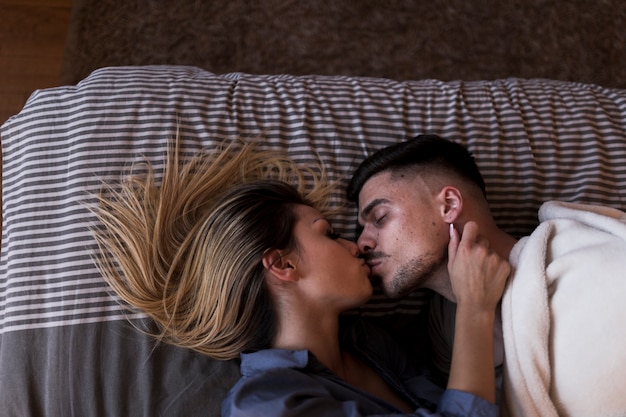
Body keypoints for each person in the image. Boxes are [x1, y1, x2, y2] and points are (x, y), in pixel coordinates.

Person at [91, 138, 509, 417]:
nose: (357, 245)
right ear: (283, 266)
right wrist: (475, 308)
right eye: (328, 234)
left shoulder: (372, 346)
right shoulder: (266, 404)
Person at [347, 134, 626, 417]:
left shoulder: (588, 266)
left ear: (449, 205)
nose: (362, 244)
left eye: (380, 218)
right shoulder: (444, 327)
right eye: (361, 230)